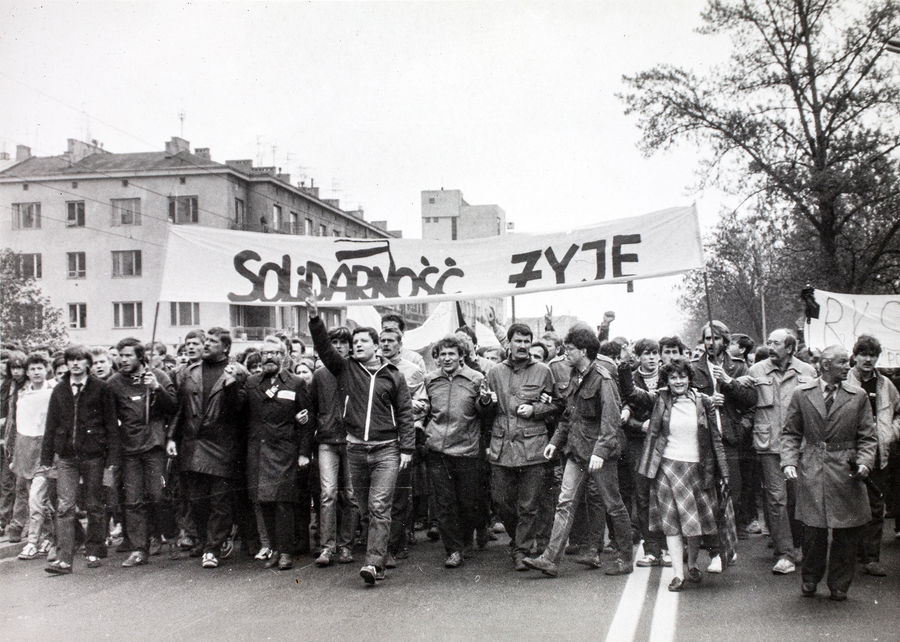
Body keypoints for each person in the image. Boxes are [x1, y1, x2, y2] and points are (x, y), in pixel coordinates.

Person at [307, 291, 415, 586]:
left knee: (379, 506)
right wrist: (315, 317)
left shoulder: (393, 375)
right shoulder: (345, 369)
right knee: (366, 509)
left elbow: (405, 413)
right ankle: (380, 556)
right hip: (355, 448)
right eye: (354, 342)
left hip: (386, 450)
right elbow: (323, 346)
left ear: (377, 346)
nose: (356, 345)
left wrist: (407, 448)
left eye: (363, 341)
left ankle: (373, 562)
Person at [522, 325, 633, 577]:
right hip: (577, 451)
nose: (566, 353)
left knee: (613, 504)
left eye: (570, 349)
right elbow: (569, 416)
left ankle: (625, 558)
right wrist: (555, 442)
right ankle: (550, 559)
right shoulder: (576, 376)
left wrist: (600, 452)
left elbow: (611, 421)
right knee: (565, 503)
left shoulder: (603, 379)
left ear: (583, 351)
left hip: (598, 455)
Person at [620, 356, 729, 592]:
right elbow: (632, 394)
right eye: (673, 377)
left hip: (697, 468)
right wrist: (625, 368)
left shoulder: (704, 401)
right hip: (667, 468)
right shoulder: (660, 398)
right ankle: (678, 574)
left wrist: (724, 472)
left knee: (692, 522)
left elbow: (715, 439)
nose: (678, 381)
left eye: (682, 376)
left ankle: (692, 563)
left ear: (689, 378)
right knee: (672, 524)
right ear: (666, 380)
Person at [782, 345, 877, 601]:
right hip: (813, 466)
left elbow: (868, 437)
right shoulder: (802, 393)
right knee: (813, 528)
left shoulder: (858, 395)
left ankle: (839, 584)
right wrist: (789, 461)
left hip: (847, 469)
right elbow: (791, 433)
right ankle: (810, 577)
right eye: (842, 362)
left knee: (847, 530)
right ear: (825, 364)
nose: (848, 366)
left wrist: (865, 463)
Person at [482, 323, 562, 571]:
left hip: (532, 446)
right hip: (502, 446)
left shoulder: (543, 371)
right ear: (509, 343)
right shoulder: (494, 372)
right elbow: (484, 410)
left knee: (529, 504)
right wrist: (485, 402)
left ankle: (521, 550)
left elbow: (557, 404)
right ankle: (519, 539)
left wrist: (535, 409)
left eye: (527, 341)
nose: (523, 346)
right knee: (501, 500)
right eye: (518, 341)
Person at [168, 328, 248, 569]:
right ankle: (205, 542)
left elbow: (240, 411)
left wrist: (231, 385)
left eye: (213, 341)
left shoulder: (237, 372)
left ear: (225, 347)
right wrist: (171, 438)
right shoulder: (189, 372)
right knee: (196, 500)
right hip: (193, 445)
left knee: (220, 502)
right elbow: (180, 410)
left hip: (222, 445)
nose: (206, 344)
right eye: (207, 340)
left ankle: (213, 548)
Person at [41, 346, 120, 574]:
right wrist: (46, 457)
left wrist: (112, 456)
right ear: (66, 363)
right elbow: (51, 424)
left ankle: (94, 550)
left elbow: (111, 424)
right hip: (67, 457)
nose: (75, 364)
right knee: (64, 506)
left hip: (94, 455)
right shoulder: (60, 389)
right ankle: (64, 559)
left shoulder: (101, 388)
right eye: (71, 360)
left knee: (94, 504)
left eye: (80, 360)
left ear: (87, 363)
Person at [746, 328, 816, 575]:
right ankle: (784, 553)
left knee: (797, 498)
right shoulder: (755, 371)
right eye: (769, 343)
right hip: (769, 445)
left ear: (790, 348)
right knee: (776, 499)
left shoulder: (808, 372)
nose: (770, 347)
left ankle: (797, 545)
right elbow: (746, 403)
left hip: (799, 447)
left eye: (776, 343)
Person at [240, 336, 313, 571]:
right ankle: (273, 549)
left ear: (284, 356)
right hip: (259, 452)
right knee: (265, 503)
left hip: (284, 451)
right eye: (265, 353)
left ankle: (286, 552)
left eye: (274, 353)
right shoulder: (252, 382)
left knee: (283, 503)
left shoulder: (296, 383)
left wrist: (303, 453)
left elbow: (307, 421)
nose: (269, 357)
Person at [107, 338, 178, 567]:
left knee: (159, 495)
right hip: (129, 448)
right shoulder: (114, 383)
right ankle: (139, 549)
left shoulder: (159, 375)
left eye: (128, 355)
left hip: (154, 445)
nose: (123, 360)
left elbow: (174, 407)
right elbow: (109, 417)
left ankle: (172, 535)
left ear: (140, 356)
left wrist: (156, 388)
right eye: (121, 355)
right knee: (133, 500)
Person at [690, 321, 755, 572]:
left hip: (729, 439)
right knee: (708, 494)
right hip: (704, 439)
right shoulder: (694, 368)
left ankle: (728, 542)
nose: (711, 343)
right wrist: (707, 401)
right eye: (707, 338)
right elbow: (686, 399)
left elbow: (750, 402)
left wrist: (728, 381)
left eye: (716, 338)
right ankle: (716, 551)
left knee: (731, 492)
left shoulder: (738, 367)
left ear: (725, 341)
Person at [423, 334, 489, 568]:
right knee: (444, 503)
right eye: (443, 354)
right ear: (437, 357)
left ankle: (466, 540)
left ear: (462, 356)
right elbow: (425, 410)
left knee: (467, 502)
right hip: (437, 450)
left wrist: (486, 402)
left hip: (467, 450)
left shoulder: (476, 378)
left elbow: (484, 412)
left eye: (452, 353)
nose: (447, 358)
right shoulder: (430, 380)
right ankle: (453, 550)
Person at [847, 334, 900, 577]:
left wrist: (891, 433)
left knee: (876, 506)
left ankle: (871, 558)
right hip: (850, 454)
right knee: (851, 505)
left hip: (879, 453)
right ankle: (853, 552)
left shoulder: (886, 384)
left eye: (872, 355)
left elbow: (898, 412)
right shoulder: (845, 381)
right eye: (863, 354)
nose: (868, 359)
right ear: (855, 356)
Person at [311, 326, 358, 568]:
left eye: (343, 342)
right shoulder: (319, 375)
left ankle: (347, 545)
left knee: (350, 495)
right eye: (334, 342)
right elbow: (312, 407)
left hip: (352, 440)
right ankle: (327, 547)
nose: (338, 346)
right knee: (327, 494)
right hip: (327, 441)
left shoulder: (355, 370)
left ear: (350, 346)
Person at [10, 354, 56, 560]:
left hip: (46, 451)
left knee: (36, 499)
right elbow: (19, 425)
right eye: (32, 369)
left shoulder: (53, 391)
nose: (36, 372)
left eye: (40, 368)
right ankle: (48, 537)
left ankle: (31, 542)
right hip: (25, 451)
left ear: (46, 369)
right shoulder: (22, 394)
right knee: (36, 500)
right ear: (27, 373)